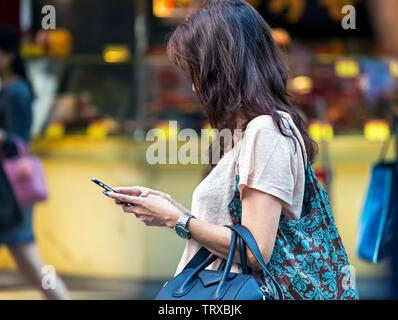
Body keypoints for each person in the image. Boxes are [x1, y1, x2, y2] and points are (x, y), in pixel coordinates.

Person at [103, 0, 325, 299]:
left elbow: (253, 250)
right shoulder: (243, 132)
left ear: (222, 70)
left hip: (234, 295)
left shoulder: (266, 131)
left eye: (197, 71)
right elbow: (233, 226)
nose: (194, 87)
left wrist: (177, 220)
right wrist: (170, 208)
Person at [0, 25, 69, 300]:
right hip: (7, 190)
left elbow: (18, 142)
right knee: (28, 263)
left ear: (8, 54)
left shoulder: (16, 92)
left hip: (7, 190)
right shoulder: (9, 88)